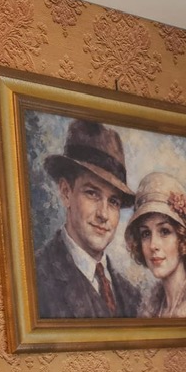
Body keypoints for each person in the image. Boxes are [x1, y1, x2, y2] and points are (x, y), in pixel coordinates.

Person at [34, 119, 140, 319]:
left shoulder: (132, 296)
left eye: (113, 202)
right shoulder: (36, 278)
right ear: (66, 192)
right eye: (92, 193)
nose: (103, 214)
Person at [124, 172, 186, 317]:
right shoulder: (149, 312)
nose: (153, 245)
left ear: (182, 238)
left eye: (164, 231)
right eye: (146, 234)